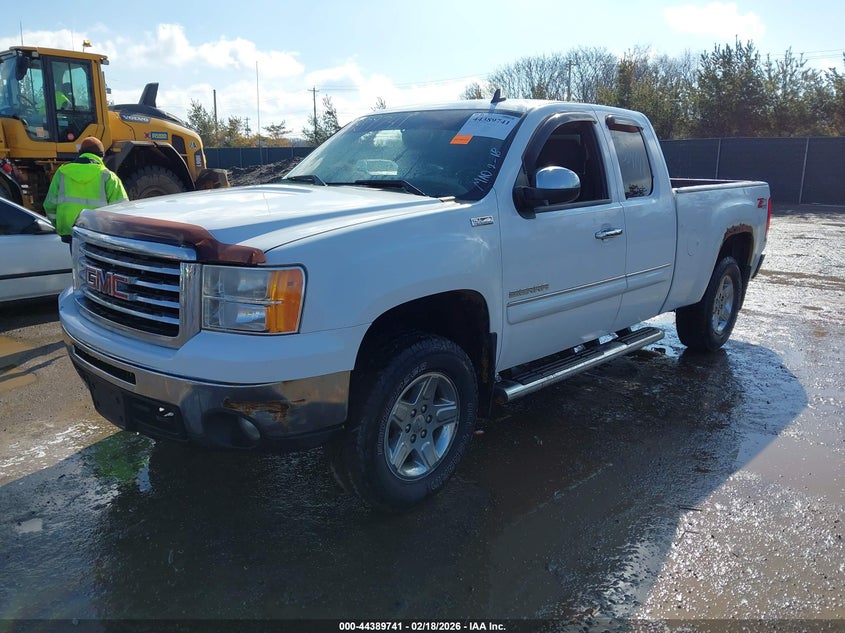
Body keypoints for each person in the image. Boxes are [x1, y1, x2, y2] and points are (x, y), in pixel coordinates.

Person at [43, 136, 128, 250]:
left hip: (70, 231)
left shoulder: (62, 172)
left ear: (80, 153)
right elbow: (122, 209)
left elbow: (49, 205)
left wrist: (59, 225)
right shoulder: (108, 176)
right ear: (101, 156)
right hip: (98, 232)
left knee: (77, 260)